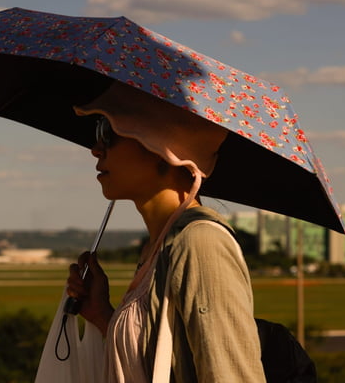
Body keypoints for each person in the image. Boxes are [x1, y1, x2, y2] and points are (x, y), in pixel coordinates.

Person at [65, 81, 266, 382]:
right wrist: (102, 315)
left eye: (108, 132)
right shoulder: (161, 246)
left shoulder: (201, 243)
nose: (96, 149)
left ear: (161, 150)